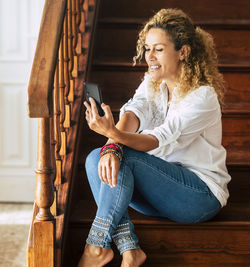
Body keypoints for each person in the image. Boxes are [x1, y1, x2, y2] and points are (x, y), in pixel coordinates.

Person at [78, 8, 231, 267]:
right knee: (97, 158)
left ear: (183, 52)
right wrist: (111, 144)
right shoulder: (153, 81)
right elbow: (134, 110)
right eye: (147, 48)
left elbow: (158, 139)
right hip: (160, 193)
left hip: (199, 196)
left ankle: (96, 245)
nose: (149, 57)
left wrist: (113, 134)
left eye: (158, 49)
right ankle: (130, 249)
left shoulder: (203, 97)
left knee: (124, 156)